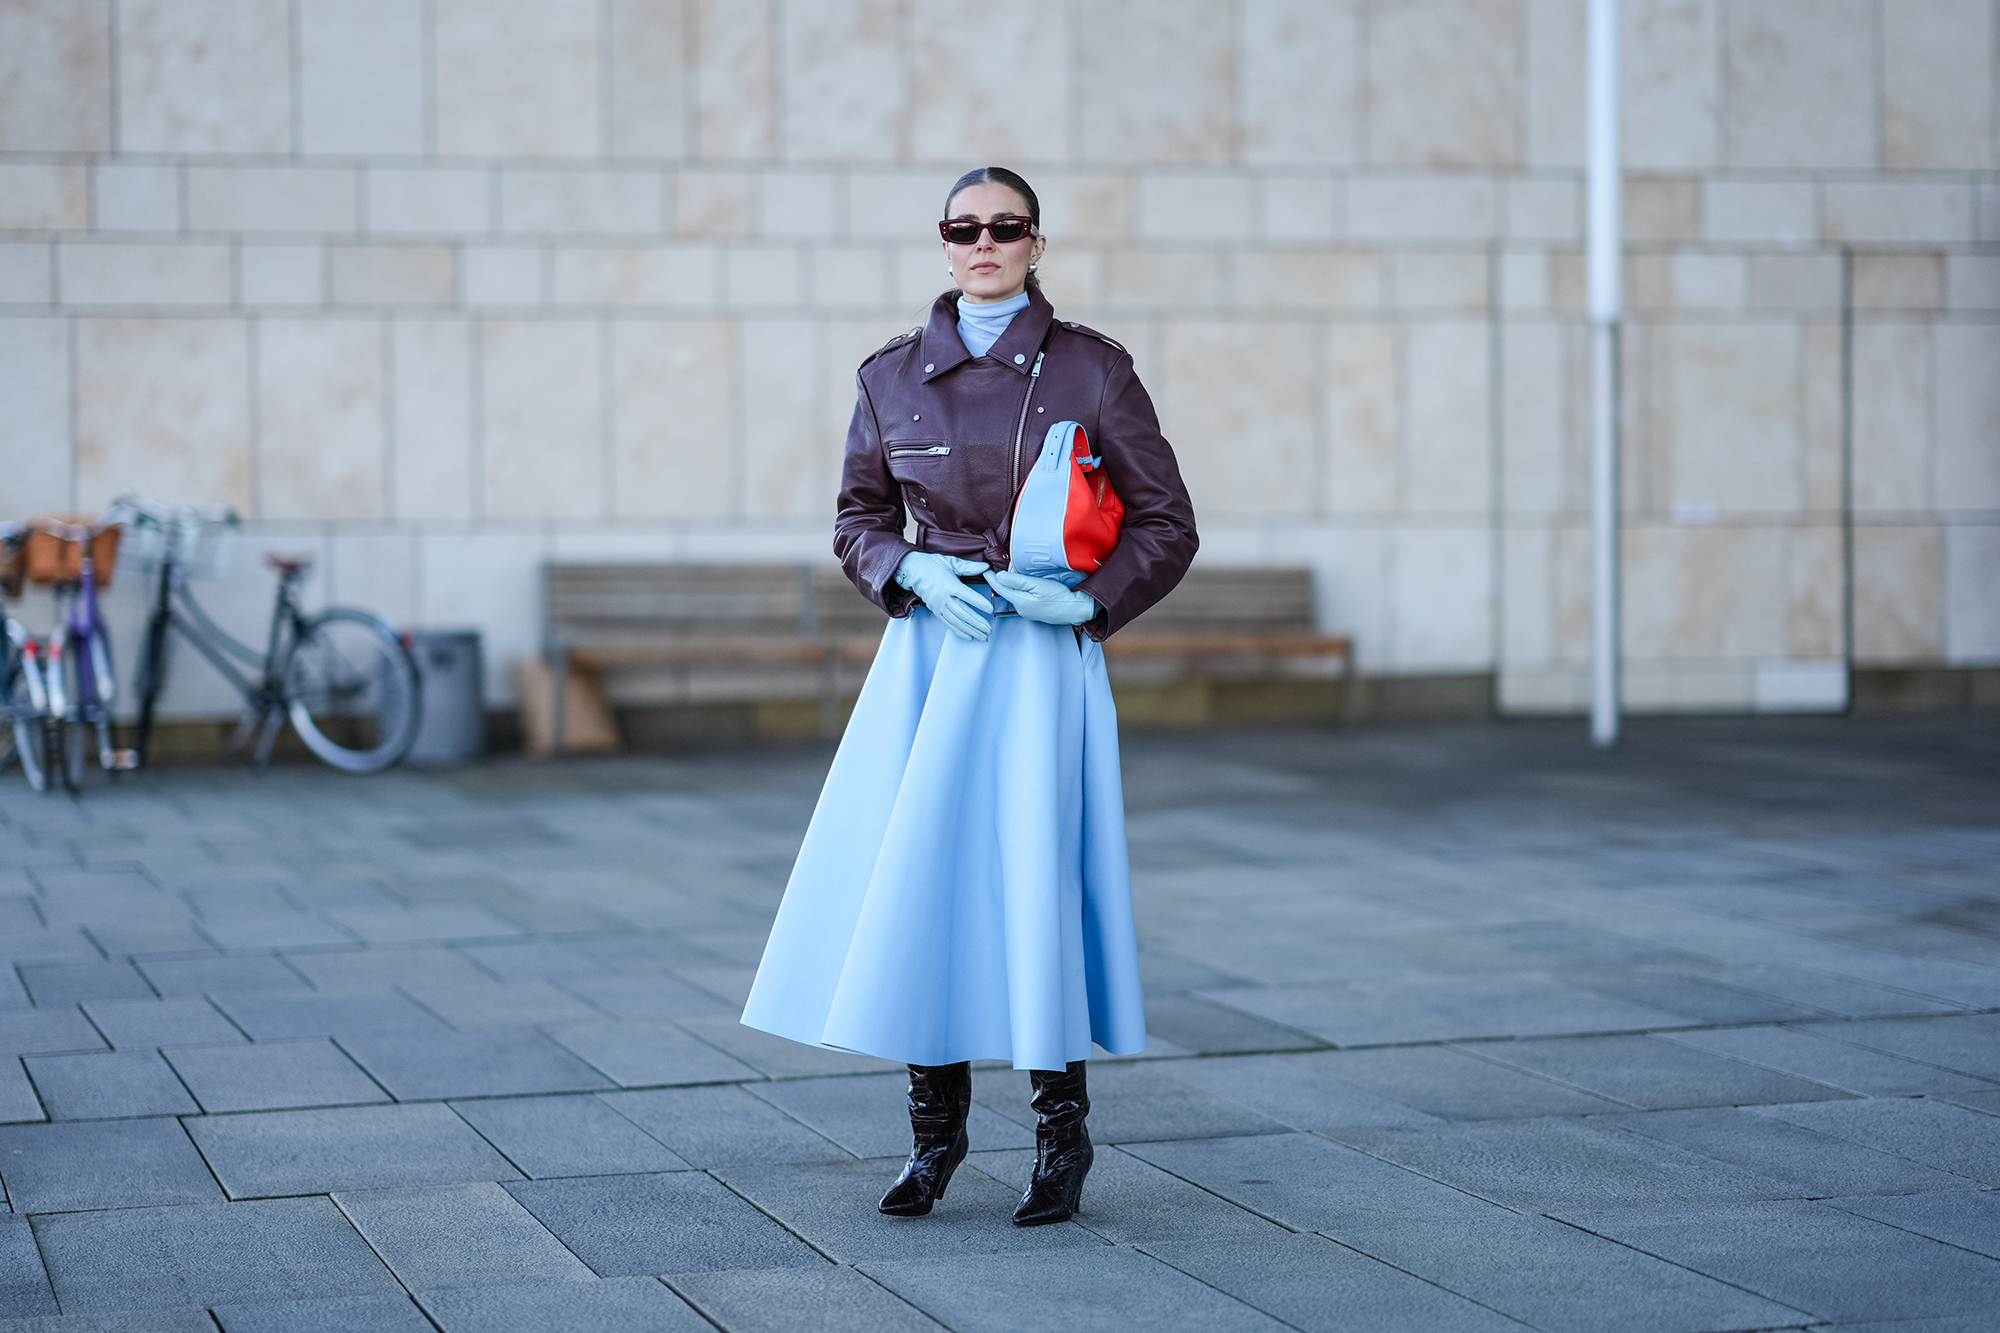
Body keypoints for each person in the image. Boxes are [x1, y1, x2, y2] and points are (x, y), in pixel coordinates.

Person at [739, 166, 1198, 1226]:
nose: (983, 242)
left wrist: (1081, 603)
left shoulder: (1091, 370)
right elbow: (856, 515)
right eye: (964, 226)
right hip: (931, 662)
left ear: (1037, 243)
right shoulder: (889, 376)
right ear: (941, 243)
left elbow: (1166, 522)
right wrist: (906, 571)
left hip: (1039, 663)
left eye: (1006, 226)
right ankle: (932, 1140)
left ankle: (1058, 1139)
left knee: (1034, 881)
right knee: (922, 887)